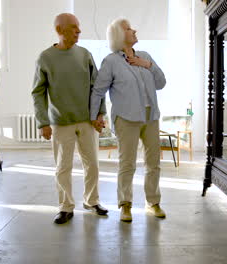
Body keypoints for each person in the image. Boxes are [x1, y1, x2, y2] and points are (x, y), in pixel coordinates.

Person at [32, 13, 108, 225]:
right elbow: (38, 92)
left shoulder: (85, 54)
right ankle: (65, 207)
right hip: (60, 122)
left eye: (79, 27)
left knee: (92, 164)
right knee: (63, 167)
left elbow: (97, 87)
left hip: (87, 121)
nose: (79, 31)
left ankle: (92, 201)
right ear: (60, 30)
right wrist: (43, 122)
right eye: (74, 27)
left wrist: (100, 113)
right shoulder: (45, 58)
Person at [90, 18, 166, 222]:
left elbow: (161, 83)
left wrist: (147, 65)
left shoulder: (146, 56)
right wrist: (95, 115)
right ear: (119, 35)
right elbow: (98, 91)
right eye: (129, 28)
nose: (134, 30)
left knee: (154, 162)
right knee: (127, 164)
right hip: (126, 119)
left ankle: (153, 202)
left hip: (151, 117)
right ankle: (125, 205)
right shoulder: (111, 61)